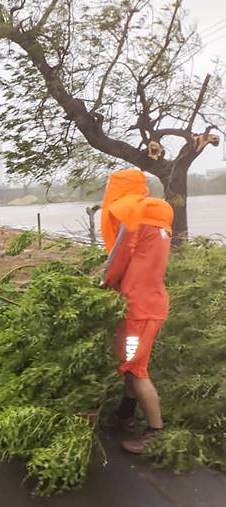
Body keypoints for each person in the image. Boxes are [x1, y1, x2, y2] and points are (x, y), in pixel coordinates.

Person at [100, 168, 174, 454]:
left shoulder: (130, 217)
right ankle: (124, 416)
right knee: (131, 364)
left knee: (135, 369)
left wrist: (102, 284)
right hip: (152, 301)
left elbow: (117, 260)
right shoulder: (156, 217)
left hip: (138, 307)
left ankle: (155, 433)